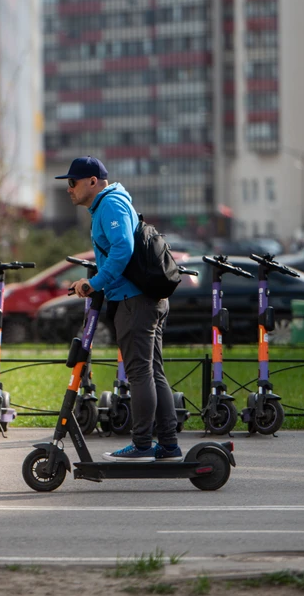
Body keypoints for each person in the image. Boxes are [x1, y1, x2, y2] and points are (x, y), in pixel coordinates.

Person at [60, 156, 181, 462]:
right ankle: (167, 443)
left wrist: (94, 283)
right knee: (153, 372)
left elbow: (123, 248)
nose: (69, 189)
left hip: (134, 301)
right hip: (145, 299)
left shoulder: (110, 204)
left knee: (140, 373)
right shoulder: (110, 203)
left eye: (73, 183)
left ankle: (142, 444)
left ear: (92, 181)